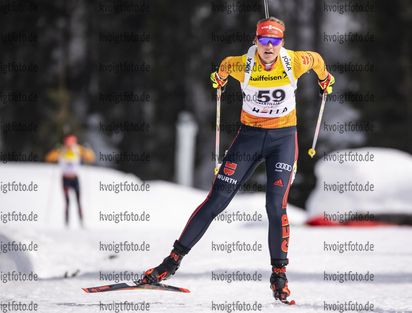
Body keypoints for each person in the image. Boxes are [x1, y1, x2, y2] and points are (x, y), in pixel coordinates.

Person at [139, 16, 335, 301]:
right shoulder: (239, 65)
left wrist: (324, 79)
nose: (269, 46)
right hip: (249, 138)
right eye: (264, 40)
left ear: (283, 43)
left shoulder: (295, 61)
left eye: (275, 41)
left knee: (275, 206)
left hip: (283, 140)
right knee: (216, 201)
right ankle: (170, 262)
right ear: (255, 40)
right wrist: (217, 80)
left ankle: (278, 276)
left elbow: (317, 60)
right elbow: (221, 71)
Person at [45, 134, 95, 226]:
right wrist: (54, 151)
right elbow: (49, 158)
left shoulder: (78, 149)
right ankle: (67, 222)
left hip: (75, 178)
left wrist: (88, 150)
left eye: (71, 144)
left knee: (78, 200)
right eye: (68, 144)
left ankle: (81, 220)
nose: (69, 146)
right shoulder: (61, 150)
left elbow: (90, 158)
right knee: (67, 202)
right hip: (65, 179)